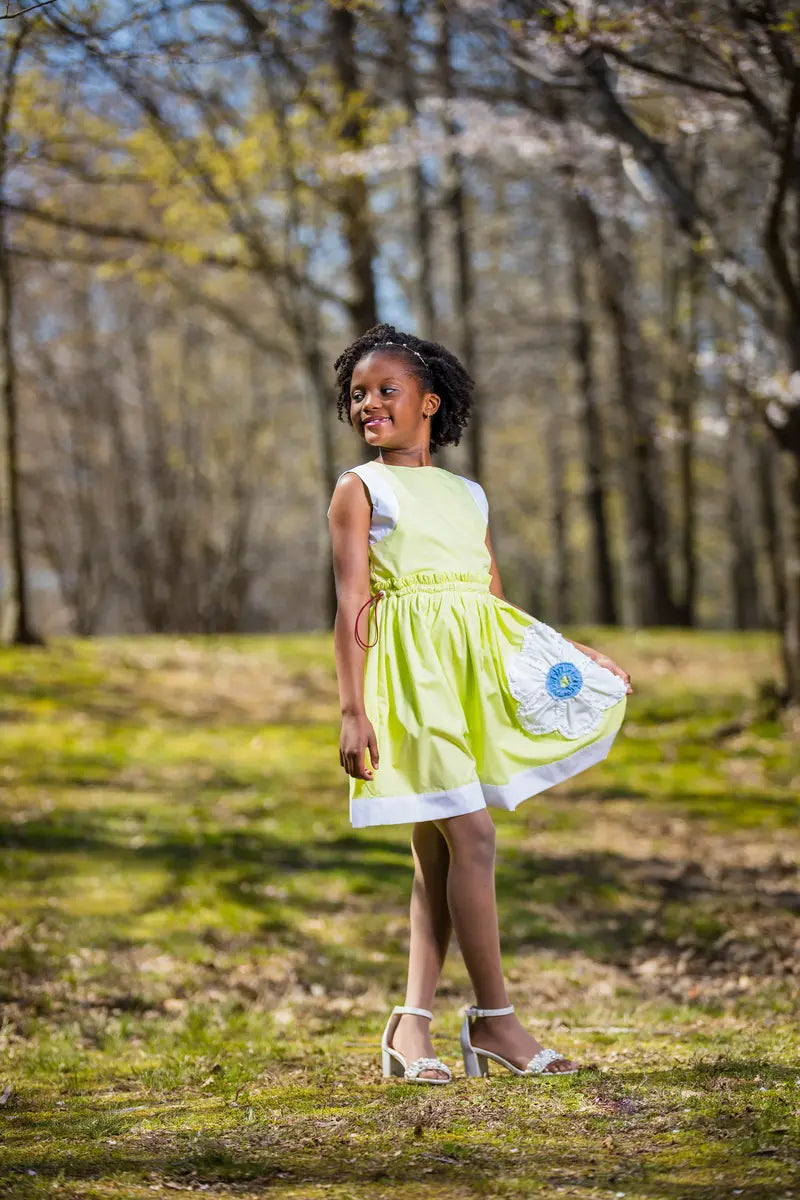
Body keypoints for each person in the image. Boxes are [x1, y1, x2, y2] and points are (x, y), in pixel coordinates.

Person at [326, 323, 631, 1085]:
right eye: (358, 394)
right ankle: (497, 1021)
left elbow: (491, 603)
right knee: (475, 835)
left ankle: (411, 1027)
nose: (368, 404)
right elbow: (352, 601)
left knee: (438, 854)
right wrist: (353, 709)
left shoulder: (469, 495)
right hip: (410, 689)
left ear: (430, 403)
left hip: (467, 682)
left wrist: (571, 652)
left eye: (386, 391)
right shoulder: (360, 489)